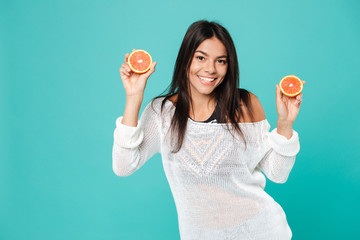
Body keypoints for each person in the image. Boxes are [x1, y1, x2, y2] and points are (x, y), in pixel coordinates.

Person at [113, 20, 304, 240]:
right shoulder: (163, 114)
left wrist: (285, 124)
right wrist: (134, 97)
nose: (210, 69)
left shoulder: (246, 104)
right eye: (200, 58)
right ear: (186, 59)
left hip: (261, 231)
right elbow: (123, 166)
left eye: (220, 61)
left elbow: (277, 174)